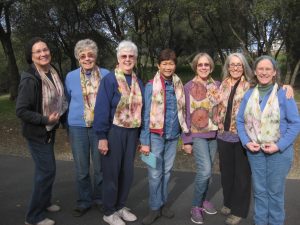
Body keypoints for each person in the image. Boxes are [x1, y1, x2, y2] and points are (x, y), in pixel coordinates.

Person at [236, 55, 300, 225]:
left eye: (268, 69)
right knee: (259, 191)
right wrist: (246, 141)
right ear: (255, 72)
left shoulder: (284, 93)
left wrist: (279, 146)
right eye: (260, 69)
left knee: (275, 192)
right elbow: (240, 121)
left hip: (279, 154)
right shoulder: (249, 94)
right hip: (255, 152)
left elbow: (295, 123)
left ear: (274, 72)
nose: (264, 72)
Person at [16, 37, 68, 225]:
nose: (43, 54)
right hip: (37, 132)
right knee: (46, 172)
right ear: (31, 57)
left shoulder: (53, 71)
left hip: (49, 130)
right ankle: (33, 216)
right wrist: (45, 120)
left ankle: (45, 202)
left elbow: (59, 98)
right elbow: (21, 110)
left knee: (48, 170)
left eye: (44, 49)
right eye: (37, 51)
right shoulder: (30, 79)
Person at [93, 40, 144, 225]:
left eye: (131, 56)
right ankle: (109, 211)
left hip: (132, 133)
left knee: (127, 173)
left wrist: (140, 136)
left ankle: (120, 206)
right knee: (111, 174)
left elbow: (141, 110)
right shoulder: (110, 79)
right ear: (118, 58)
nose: (128, 59)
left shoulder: (137, 81)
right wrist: (102, 138)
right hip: (114, 131)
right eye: (124, 56)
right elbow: (101, 109)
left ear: (136, 59)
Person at [140, 49, 189, 225]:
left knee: (166, 172)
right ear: (158, 65)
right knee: (154, 173)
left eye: (171, 63)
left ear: (175, 65)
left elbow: (182, 111)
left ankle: (162, 204)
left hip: (172, 136)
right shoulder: (150, 85)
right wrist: (144, 142)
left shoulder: (178, 85)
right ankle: (154, 208)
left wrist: (185, 137)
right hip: (154, 137)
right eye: (165, 63)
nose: (168, 67)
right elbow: (145, 115)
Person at [65, 39, 110, 217]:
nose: (87, 58)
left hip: (99, 127)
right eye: (82, 55)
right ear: (78, 58)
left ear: (95, 56)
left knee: (100, 168)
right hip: (77, 127)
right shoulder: (70, 76)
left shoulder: (106, 74)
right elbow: (68, 100)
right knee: (82, 168)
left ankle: (99, 199)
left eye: (90, 54)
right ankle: (84, 201)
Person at [182, 52, 220, 224]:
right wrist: (186, 140)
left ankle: (204, 200)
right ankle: (195, 206)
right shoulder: (188, 86)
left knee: (208, 171)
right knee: (204, 171)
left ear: (211, 67)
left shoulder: (218, 85)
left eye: (206, 65)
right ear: (195, 67)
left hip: (215, 134)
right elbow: (184, 115)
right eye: (200, 65)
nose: (203, 67)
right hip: (197, 135)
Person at [217, 53, 253, 225]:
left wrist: (286, 87)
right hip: (223, 135)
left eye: (239, 65)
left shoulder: (251, 85)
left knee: (242, 176)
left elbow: (271, 85)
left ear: (244, 67)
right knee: (227, 174)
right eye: (232, 65)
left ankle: (239, 210)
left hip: (242, 137)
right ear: (228, 67)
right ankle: (229, 203)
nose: (236, 68)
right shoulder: (223, 84)